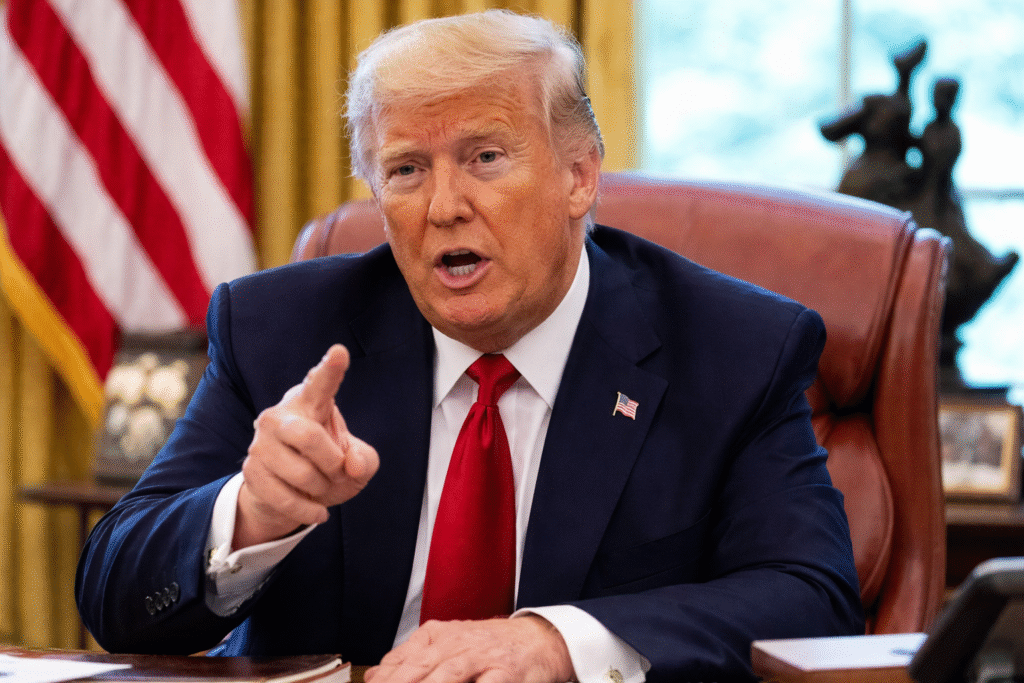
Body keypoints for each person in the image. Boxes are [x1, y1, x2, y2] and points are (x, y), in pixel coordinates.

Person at [76, 10, 864, 682]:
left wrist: (556, 641)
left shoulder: (731, 348)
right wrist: (249, 516)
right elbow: (113, 592)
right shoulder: (286, 330)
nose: (445, 207)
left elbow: (814, 603)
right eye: (407, 169)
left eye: (486, 158)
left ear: (579, 176)